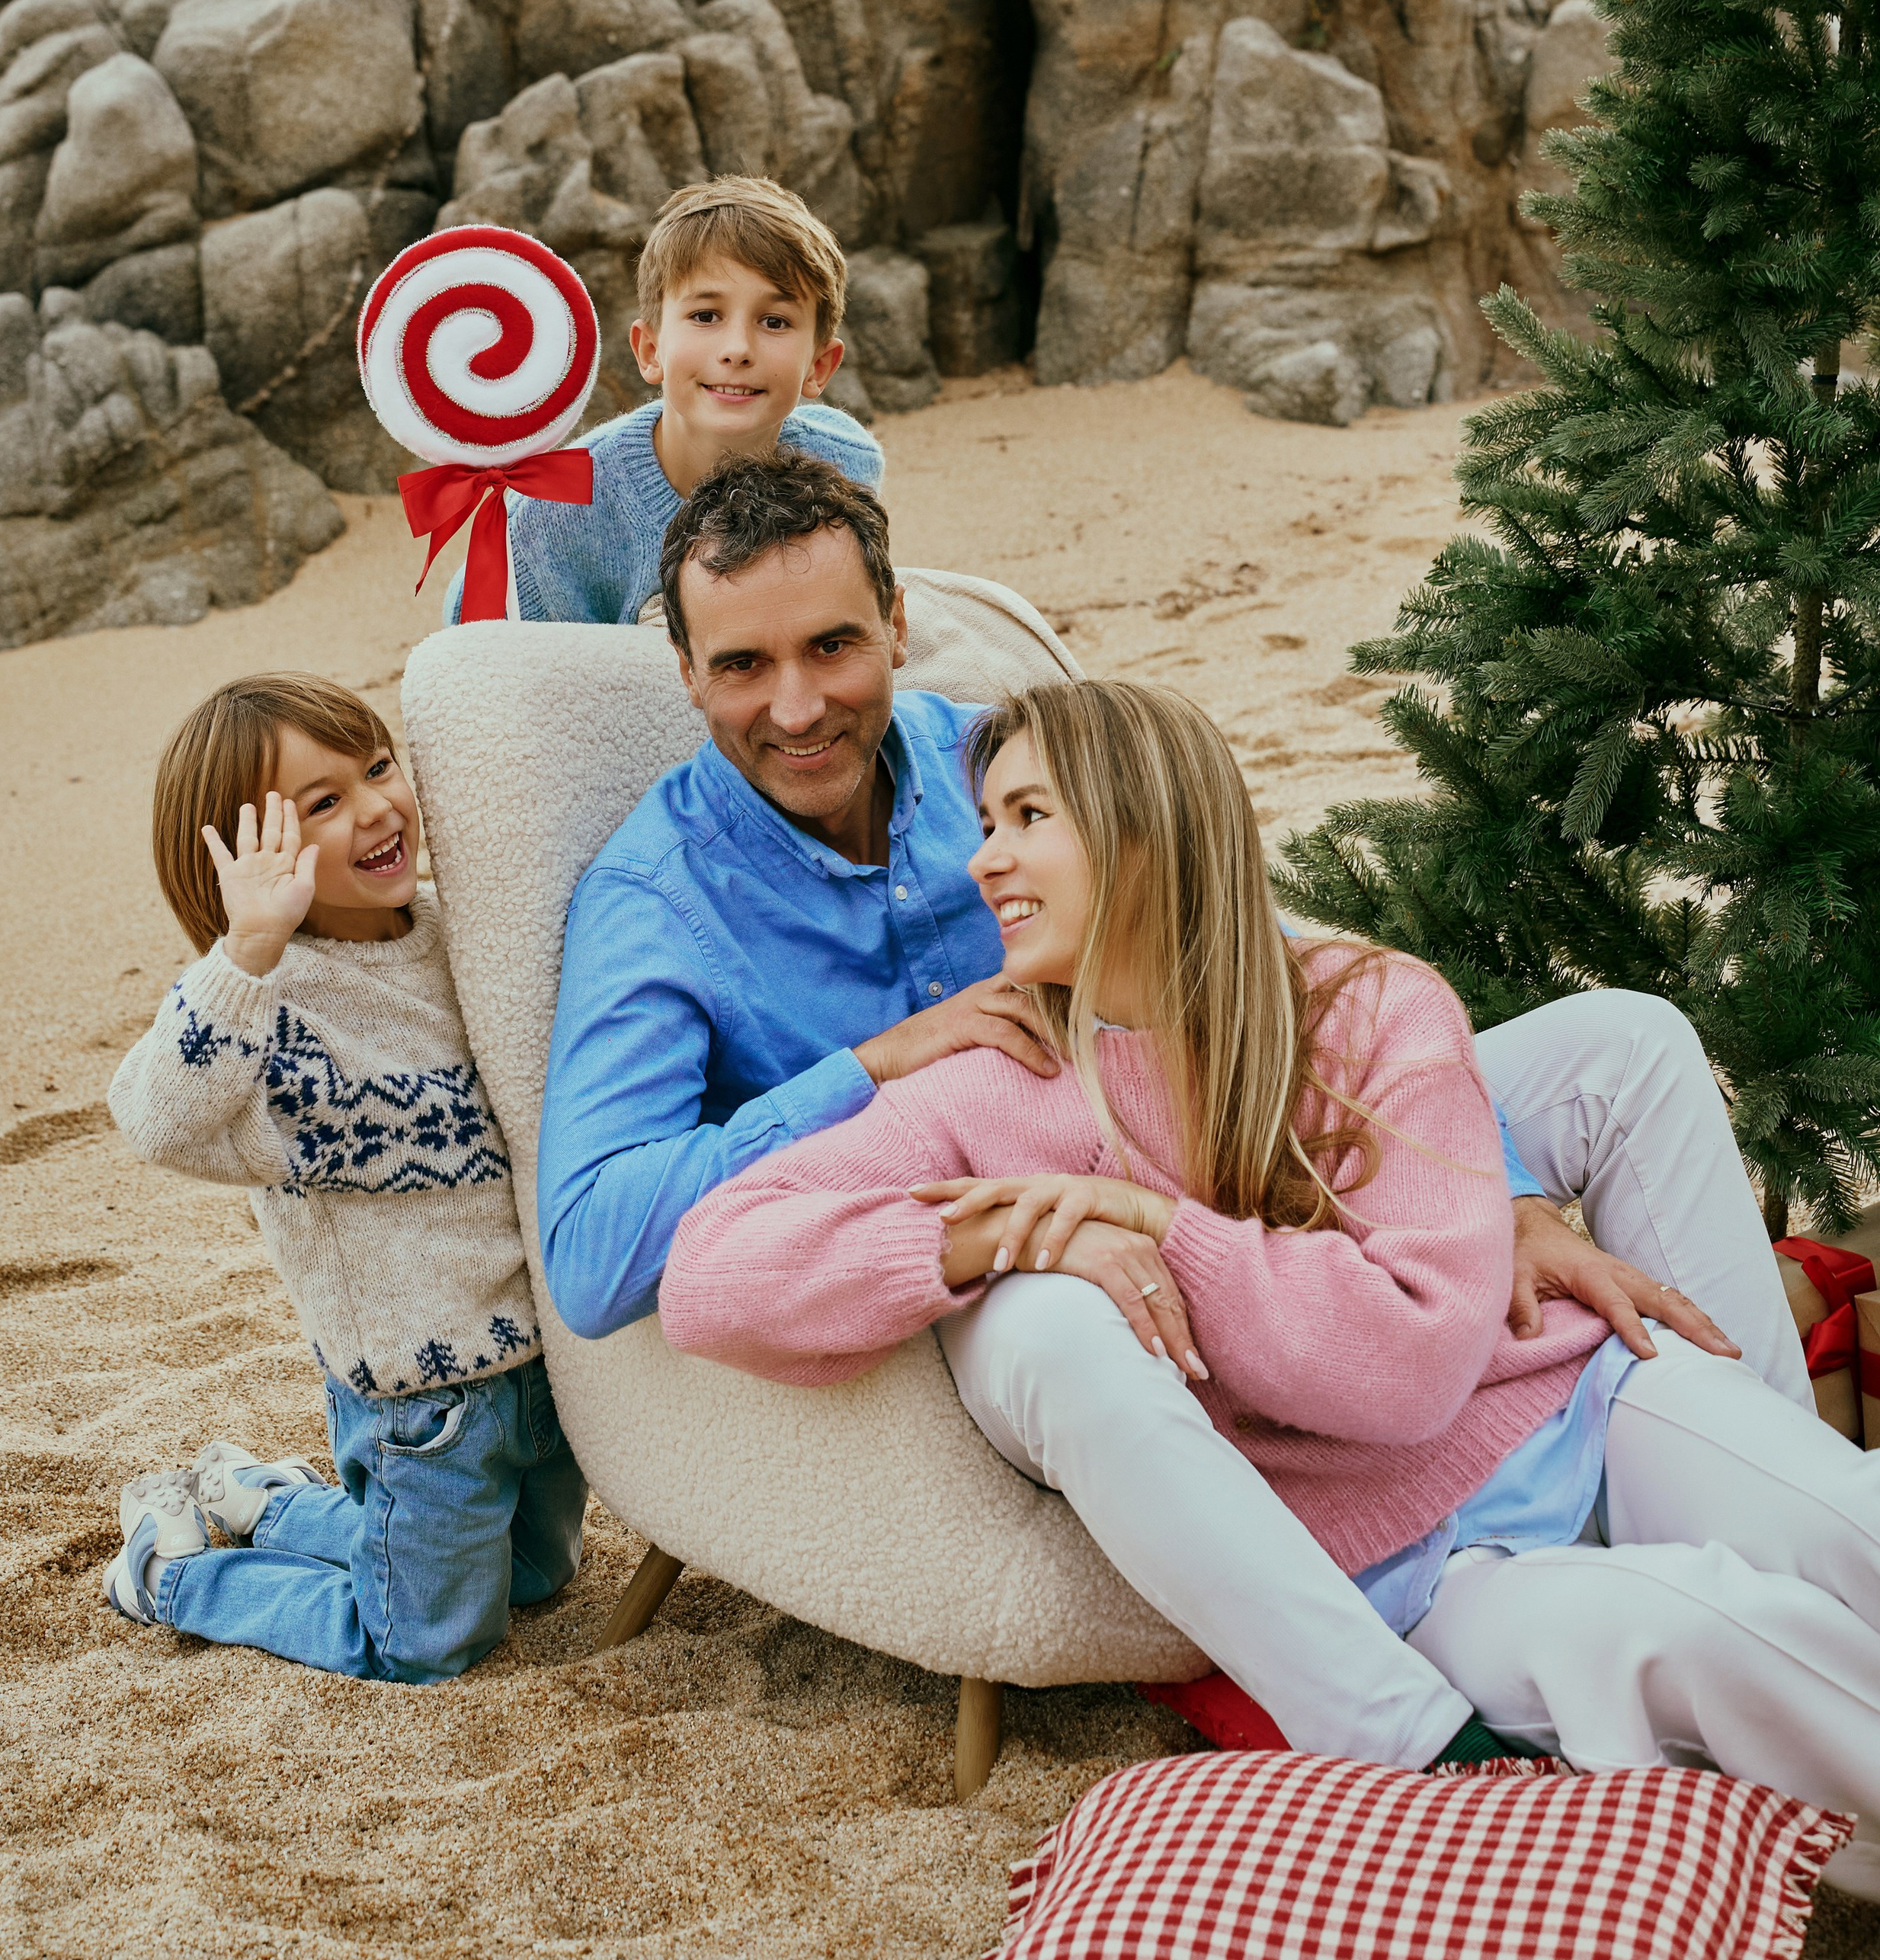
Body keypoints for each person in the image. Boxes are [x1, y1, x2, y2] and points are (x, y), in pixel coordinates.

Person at [536, 452, 1814, 1763]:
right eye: (742, 667)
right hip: (972, 1228)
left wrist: (1493, 1190)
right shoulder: (658, 901)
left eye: (834, 647)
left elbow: (1226, 947)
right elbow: (596, 1257)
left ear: (896, 625)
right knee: (1056, 1313)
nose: (798, 706)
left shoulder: (978, 751)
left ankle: (1752, 1457)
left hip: (1179, 1125)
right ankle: (1397, 1730)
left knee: (1628, 1046)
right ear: (685, 672)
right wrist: (872, 1068)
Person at [658, 678, 1880, 1882]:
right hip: (1409, 1582)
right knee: (1712, 1632)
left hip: (1581, 1409)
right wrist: (997, 1239)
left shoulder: (1367, 1008)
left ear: (1145, 830)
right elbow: (709, 1271)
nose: (983, 861)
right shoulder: (991, 1088)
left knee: (1850, 1534)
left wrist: (1156, 1223)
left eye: (1030, 818)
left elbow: (1410, 1367)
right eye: (986, 823)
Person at [103, 673, 585, 1683]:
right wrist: (248, 949)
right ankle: (172, 1575)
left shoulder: (459, 931)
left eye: (376, 767)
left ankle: (266, 1504)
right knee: (421, 1642)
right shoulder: (266, 1009)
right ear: (246, 856)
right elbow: (152, 1117)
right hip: (426, 1399)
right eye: (322, 803)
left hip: (544, 1368)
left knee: (538, 1578)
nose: (376, 808)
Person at [446, 174, 881, 625]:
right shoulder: (554, 517)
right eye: (705, 315)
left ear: (819, 366)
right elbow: (475, 633)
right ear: (651, 351)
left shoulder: (845, 464)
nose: (737, 349)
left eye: (774, 322)